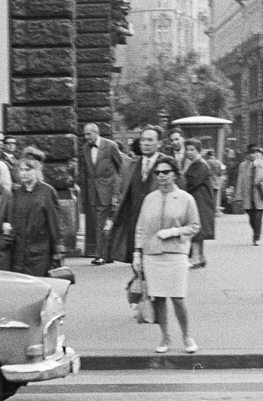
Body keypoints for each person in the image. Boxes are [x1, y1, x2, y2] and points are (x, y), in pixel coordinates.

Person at [133, 155, 200, 354]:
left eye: (166, 172)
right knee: (158, 298)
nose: (161, 176)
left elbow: (195, 226)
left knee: (178, 297)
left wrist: (173, 232)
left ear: (175, 175)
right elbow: (141, 228)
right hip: (152, 254)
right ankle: (164, 336)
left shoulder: (186, 199)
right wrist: (137, 254)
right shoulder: (149, 199)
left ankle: (187, 336)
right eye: (158, 173)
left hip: (176, 253)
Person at [108, 126, 172, 265]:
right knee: (137, 266)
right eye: (143, 140)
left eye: (150, 140)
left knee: (155, 267)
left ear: (159, 143)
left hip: (158, 224)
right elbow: (125, 194)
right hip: (135, 224)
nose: (146, 144)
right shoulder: (132, 165)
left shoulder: (168, 165)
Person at [7, 149, 66, 277]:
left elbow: (55, 221)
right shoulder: (16, 193)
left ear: (37, 171)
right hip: (19, 252)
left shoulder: (47, 191)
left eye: (28, 170)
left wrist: (58, 248)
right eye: (21, 170)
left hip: (39, 251)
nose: (23, 173)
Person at [79, 122, 126, 264]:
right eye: (85, 134)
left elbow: (121, 168)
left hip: (108, 189)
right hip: (93, 192)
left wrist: (117, 190)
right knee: (99, 223)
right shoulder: (85, 148)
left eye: (89, 134)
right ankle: (107, 254)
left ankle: (100, 255)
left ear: (96, 132)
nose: (86, 137)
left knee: (101, 223)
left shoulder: (110, 145)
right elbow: (84, 171)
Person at [178, 137, 217, 268]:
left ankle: (195, 258)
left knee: (195, 229)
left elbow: (193, 182)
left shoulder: (200, 165)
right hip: (199, 200)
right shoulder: (196, 163)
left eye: (192, 149)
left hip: (200, 201)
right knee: (199, 229)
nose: (189, 152)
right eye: (187, 149)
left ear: (198, 151)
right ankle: (200, 257)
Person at [235, 144, 263, 245]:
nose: (252, 155)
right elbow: (239, 180)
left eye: (254, 153)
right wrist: (238, 196)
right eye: (250, 153)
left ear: (258, 154)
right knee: (251, 218)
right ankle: (255, 232)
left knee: (258, 217)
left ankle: (256, 237)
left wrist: (262, 181)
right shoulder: (243, 165)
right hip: (247, 196)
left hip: (259, 195)